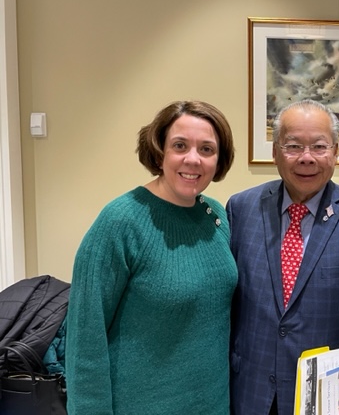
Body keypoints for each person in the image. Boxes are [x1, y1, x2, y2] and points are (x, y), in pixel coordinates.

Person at [226, 99, 339, 415]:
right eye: (293, 146)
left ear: (335, 152)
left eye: (319, 147)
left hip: (331, 401)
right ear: (275, 152)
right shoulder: (240, 209)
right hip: (249, 394)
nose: (306, 158)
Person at [65, 101, 237, 415]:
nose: (192, 159)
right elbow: (85, 337)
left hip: (212, 404)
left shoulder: (216, 216)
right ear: (160, 152)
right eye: (180, 145)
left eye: (207, 149)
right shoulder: (120, 222)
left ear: (219, 159)